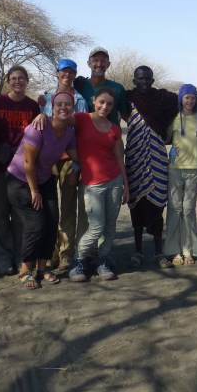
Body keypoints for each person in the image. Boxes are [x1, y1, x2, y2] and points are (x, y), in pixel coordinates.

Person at [7, 91, 78, 288]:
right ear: (52, 108)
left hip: (45, 179)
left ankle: (42, 267)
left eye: (68, 104)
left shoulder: (70, 131)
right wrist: (34, 191)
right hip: (21, 180)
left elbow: (75, 155)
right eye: (59, 104)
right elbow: (28, 162)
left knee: (52, 220)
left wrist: (79, 167)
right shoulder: (37, 128)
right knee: (36, 223)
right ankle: (25, 269)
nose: (63, 107)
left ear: (73, 108)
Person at [68, 88, 129, 281]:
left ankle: (102, 259)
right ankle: (77, 260)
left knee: (110, 225)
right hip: (92, 183)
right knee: (96, 226)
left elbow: (120, 159)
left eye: (109, 104)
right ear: (94, 100)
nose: (105, 106)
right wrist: (41, 116)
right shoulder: (81, 118)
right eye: (102, 102)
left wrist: (126, 184)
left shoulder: (114, 129)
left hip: (115, 180)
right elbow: (58, 122)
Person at [125, 66, 179, 268]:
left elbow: (186, 98)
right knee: (136, 203)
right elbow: (102, 96)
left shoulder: (163, 98)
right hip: (135, 157)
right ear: (134, 80)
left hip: (157, 156)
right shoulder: (127, 99)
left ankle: (158, 251)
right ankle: (138, 251)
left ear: (153, 79)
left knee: (157, 203)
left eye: (148, 78)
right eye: (141, 78)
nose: (145, 81)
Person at [0, 65, 41, 275]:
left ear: (27, 81)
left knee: (20, 215)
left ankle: (21, 255)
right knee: (0, 213)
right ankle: (3, 256)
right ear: (8, 81)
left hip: (22, 169)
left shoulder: (32, 107)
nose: (18, 81)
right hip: (1, 166)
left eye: (21, 78)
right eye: (13, 78)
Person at [42, 59, 89, 274]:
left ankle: (65, 255)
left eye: (71, 72)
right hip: (48, 158)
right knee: (49, 208)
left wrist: (78, 166)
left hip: (70, 158)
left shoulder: (80, 100)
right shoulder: (46, 98)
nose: (67, 76)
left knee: (68, 209)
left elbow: (82, 133)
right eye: (63, 72)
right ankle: (49, 252)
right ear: (57, 73)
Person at [162, 84, 197, 266]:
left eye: (193, 97)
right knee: (174, 208)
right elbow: (164, 138)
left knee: (188, 210)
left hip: (194, 169)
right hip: (174, 169)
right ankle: (173, 250)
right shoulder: (173, 118)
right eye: (186, 97)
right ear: (181, 99)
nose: (190, 100)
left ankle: (189, 250)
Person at [73, 47, 130, 124]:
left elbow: (126, 116)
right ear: (89, 63)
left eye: (103, 61)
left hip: (112, 134)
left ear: (108, 64)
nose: (99, 64)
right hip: (85, 135)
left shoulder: (118, 88)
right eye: (95, 61)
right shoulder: (79, 86)